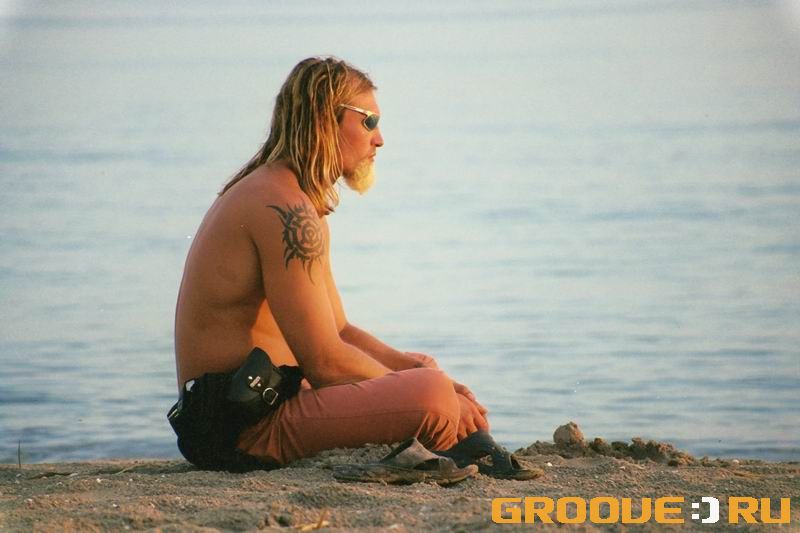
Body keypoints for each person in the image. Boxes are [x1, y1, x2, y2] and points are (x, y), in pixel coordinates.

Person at [173, 56, 494, 470]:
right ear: (326, 118)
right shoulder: (283, 207)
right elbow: (324, 362)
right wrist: (433, 392)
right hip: (243, 428)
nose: (379, 140)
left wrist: (420, 374)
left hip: (269, 401)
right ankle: (464, 449)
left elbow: (339, 330)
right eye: (369, 122)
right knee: (431, 394)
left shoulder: (291, 198)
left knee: (425, 369)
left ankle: (456, 445)